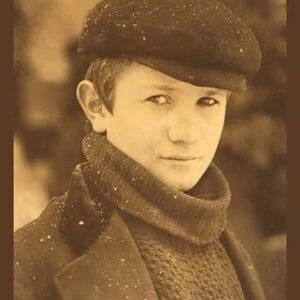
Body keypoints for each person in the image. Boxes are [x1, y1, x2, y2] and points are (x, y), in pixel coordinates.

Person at [14, 0, 266, 299]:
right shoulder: (27, 265)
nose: (187, 133)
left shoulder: (234, 235)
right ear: (96, 106)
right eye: (159, 99)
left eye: (207, 101)